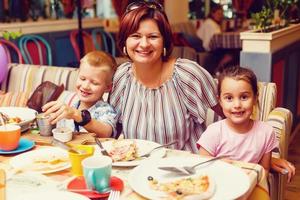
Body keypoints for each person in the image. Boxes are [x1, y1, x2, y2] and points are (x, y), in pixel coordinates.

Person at [109, 0, 295, 181]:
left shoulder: (187, 74)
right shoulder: (122, 77)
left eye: (153, 36)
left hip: (188, 175)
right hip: (138, 174)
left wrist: (263, 157)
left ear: (164, 42)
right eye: (135, 35)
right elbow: (112, 129)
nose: (144, 44)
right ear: (124, 41)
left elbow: (230, 114)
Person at [197, 66, 295, 182]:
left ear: (255, 98)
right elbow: (202, 167)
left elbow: (264, 170)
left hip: (251, 186)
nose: (237, 104)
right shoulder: (213, 132)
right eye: (229, 98)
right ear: (220, 101)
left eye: (244, 97)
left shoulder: (266, 132)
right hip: (220, 185)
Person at [42, 51, 117, 138]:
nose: (85, 86)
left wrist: (77, 115)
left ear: (108, 87)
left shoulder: (105, 110)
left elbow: (106, 132)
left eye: (94, 83)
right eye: (82, 78)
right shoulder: (72, 107)